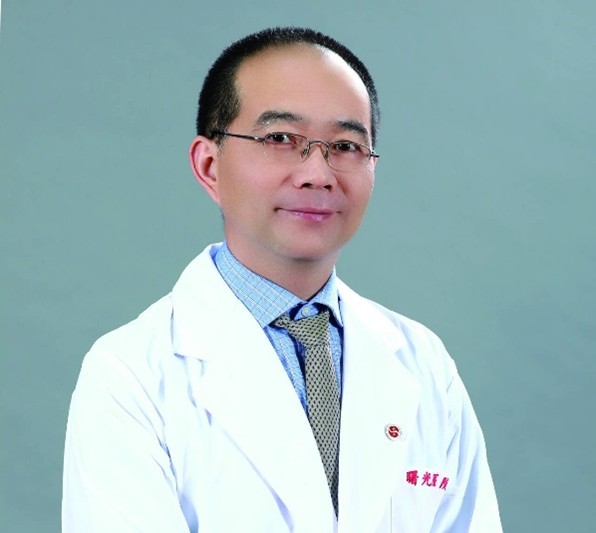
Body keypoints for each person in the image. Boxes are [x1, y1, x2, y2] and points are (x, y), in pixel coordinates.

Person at [62, 27, 502, 532]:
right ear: (209, 166)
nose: (318, 173)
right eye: (280, 139)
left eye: (346, 145)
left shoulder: (425, 364)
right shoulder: (130, 375)